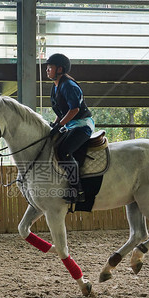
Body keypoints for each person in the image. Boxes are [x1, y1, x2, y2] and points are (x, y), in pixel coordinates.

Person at [45, 53, 94, 203]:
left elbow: (74, 110)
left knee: (63, 151)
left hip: (82, 125)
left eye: (50, 67)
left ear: (60, 69)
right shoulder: (56, 87)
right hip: (70, 125)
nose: (47, 70)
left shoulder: (69, 86)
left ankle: (77, 190)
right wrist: (54, 124)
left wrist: (59, 125)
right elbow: (62, 111)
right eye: (47, 67)